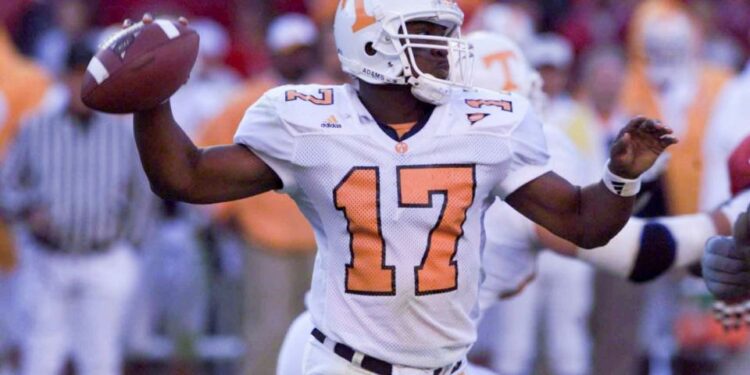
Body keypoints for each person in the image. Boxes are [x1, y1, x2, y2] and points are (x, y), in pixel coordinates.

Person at [126, 2, 675, 373]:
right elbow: (184, 176)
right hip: (345, 362)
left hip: (447, 364)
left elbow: (585, 222)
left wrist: (621, 177)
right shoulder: (310, 122)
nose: (448, 47)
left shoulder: (487, 123)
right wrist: (151, 97)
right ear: (373, 44)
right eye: (429, 35)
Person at [0, 41, 157, 375]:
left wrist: (131, 243)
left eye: (86, 77)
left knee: (99, 358)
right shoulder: (35, 128)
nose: (79, 86)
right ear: (61, 79)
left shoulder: (121, 134)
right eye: (73, 76)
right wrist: (27, 210)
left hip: (103, 255)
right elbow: (5, 187)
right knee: (41, 358)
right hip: (47, 257)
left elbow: (143, 194)